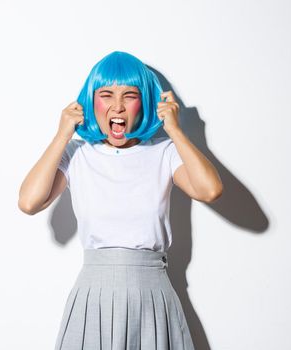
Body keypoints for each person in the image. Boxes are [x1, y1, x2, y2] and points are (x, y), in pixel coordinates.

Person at [18, 51, 223, 349]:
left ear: (144, 103)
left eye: (129, 95)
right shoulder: (77, 153)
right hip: (93, 294)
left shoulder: (163, 152)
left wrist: (175, 130)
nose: (117, 106)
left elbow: (210, 190)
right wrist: (62, 135)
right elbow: (28, 202)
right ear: (91, 101)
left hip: (151, 291)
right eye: (106, 95)